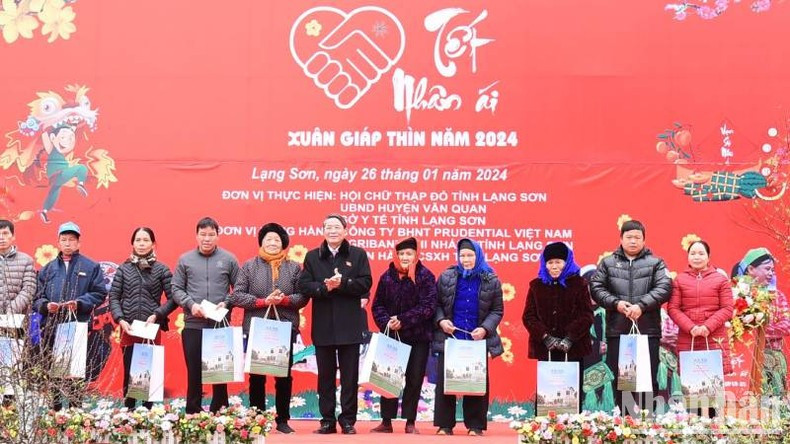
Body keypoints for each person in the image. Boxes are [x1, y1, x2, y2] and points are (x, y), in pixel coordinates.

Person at [229, 223, 308, 434]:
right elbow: (236, 295)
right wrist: (264, 301)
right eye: (268, 239)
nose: (272, 243)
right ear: (261, 242)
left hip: (284, 328)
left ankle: (283, 419)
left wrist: (282, 300)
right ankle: (257, 419)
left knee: (284, 375)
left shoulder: (293, 268)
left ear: (283, 244)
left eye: (276, 240)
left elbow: (302, 297)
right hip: (257, 328)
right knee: (257, 376)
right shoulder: (249, 266)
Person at [298, 214, 372, 435]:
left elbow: (366, 282)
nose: (332, 231)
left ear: (345, 231)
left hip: (350, 324)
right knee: (326, 377)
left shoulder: (357, 255)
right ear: (323, 231)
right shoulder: (312, 257)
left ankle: (348, 420)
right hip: (323, 325)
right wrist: (324, 288)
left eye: (337, 227)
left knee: (350, 377)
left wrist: (343, 284)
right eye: (328, 227)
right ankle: (327, 420)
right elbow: (304, 286)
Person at [590, 220, 672, 415]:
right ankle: (624, 422)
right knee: (622, 379)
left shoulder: (656, 263)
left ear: (644, 240)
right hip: (618, 331)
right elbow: (596, 288)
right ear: (621, 239)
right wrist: (616, 304)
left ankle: (646, 421)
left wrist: (641, 306)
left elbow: (664, 288)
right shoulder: (608, 263)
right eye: (629, 237)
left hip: (647, 331)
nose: (633, 241)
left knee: (647, 378)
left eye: (637, 237)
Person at [433, 238, 504, 436]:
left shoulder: (491, 279)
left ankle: (475, 425)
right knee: (446, 381)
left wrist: (485, 329)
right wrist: (441, 322)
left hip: (477, 339)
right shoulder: (447, 276)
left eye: (470, 255)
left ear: (478, 256)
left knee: (476, 380)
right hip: (451, 337)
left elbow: (497, 310)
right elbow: (436, 304)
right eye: (462, 255)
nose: (466, 259)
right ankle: (445, 425)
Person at [32, 221, 106, 410]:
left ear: (78, 243)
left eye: (71, 240)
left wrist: (79, 303)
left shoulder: (91, 267)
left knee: (75, 374)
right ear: (58, 242)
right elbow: (37, 297)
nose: (67, 243)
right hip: (52, 327)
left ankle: (75, 413)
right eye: (63, 239)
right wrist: (46, 306)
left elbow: (99, 293)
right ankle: (55, 412)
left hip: (77, 325)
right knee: (54, 373)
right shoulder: (47, 269)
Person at [172, 217, 239, 414]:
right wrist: (190, 305)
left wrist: (226, 303)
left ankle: (220, 409)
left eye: (211, 235)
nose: (207, 239)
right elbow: (176, 288)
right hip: (193, 324)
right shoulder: (185, 260)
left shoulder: (229, 259)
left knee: (219, 371)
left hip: (219, 324)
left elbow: (240, 288)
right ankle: (193, 410)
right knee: (194, 371)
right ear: (196, 236)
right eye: (203, 234)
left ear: (218, 236)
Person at [370, 237, 437, 434]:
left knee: (414, 379)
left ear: (416, 255)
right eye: (401, 254)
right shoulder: (387, 276)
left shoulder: (425, 276)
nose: (405, 257)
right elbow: (377, 305)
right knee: (388, 377)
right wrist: (387, 322)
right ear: (396, 255)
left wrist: (403, 320)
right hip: (391, 335)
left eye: (409, 253)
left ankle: (410, 421)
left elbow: (428, 307)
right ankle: (386, 421)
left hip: (418, 337)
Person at [108, 227, 177, 409]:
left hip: (150, 329)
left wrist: (157, 314)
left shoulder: (162, 270)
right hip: (129, 328)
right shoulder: (123, 269)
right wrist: (120, 319)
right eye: (138, 240)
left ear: (153, 244)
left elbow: (173, 299)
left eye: (145, 240)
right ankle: (128, 412)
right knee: (130, 372)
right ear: (132, 243)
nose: (141, 243)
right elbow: (114, 297)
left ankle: (149, 414)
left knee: (149, 373)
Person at [522, 242, 593, 410]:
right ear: (544, 264)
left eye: (558, 262)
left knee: (571, 395)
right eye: (550, 262)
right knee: (547, 395)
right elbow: (528, 316)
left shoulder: (580, 284)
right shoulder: (536, 286)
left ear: (567, 262)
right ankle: (543, 432)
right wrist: (545, 337)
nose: (554, 266)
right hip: (545, 348)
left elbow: (587, 315)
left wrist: (570, 338)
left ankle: (573, 431)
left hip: (573, 348)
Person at [667, 240, 732, 415]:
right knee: (692, 386)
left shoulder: (720, 280)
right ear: (688, 256)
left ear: (708, 257)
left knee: (712, 387)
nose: (697, 257)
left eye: (701, 253)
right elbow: (672, 308)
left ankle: (714, 430)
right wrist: (691, 327)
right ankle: (694, 429)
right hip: (689, 338)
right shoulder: (679, 280)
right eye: (693, 253)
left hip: (713, 337)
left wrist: (707, 327)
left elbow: (727, 308)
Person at [732, 247, 790, 397]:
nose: (771, 273)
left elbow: (787, 325)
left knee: (773, 405)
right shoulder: (737, 295)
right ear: (751, 269)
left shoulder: (778, 296)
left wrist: (760, 331)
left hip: (772, 359)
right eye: (767, 269)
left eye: (772, 270)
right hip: (743, 359)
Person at [0, 219, 36, 321]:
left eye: (5, 233)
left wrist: (11, 310)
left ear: (13, 236)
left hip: (16, 319)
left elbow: (29, 289)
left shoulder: (26, 260)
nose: (1, 238)